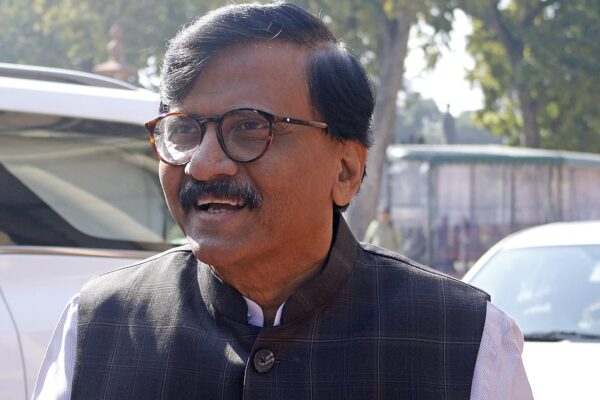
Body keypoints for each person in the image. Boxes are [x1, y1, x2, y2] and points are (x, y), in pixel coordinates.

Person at [33, 2, 532, 399]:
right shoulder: (99, 323)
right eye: (184, 130)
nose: (203, 165)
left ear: (345, 170)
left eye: (250, 128)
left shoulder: (464, 340)